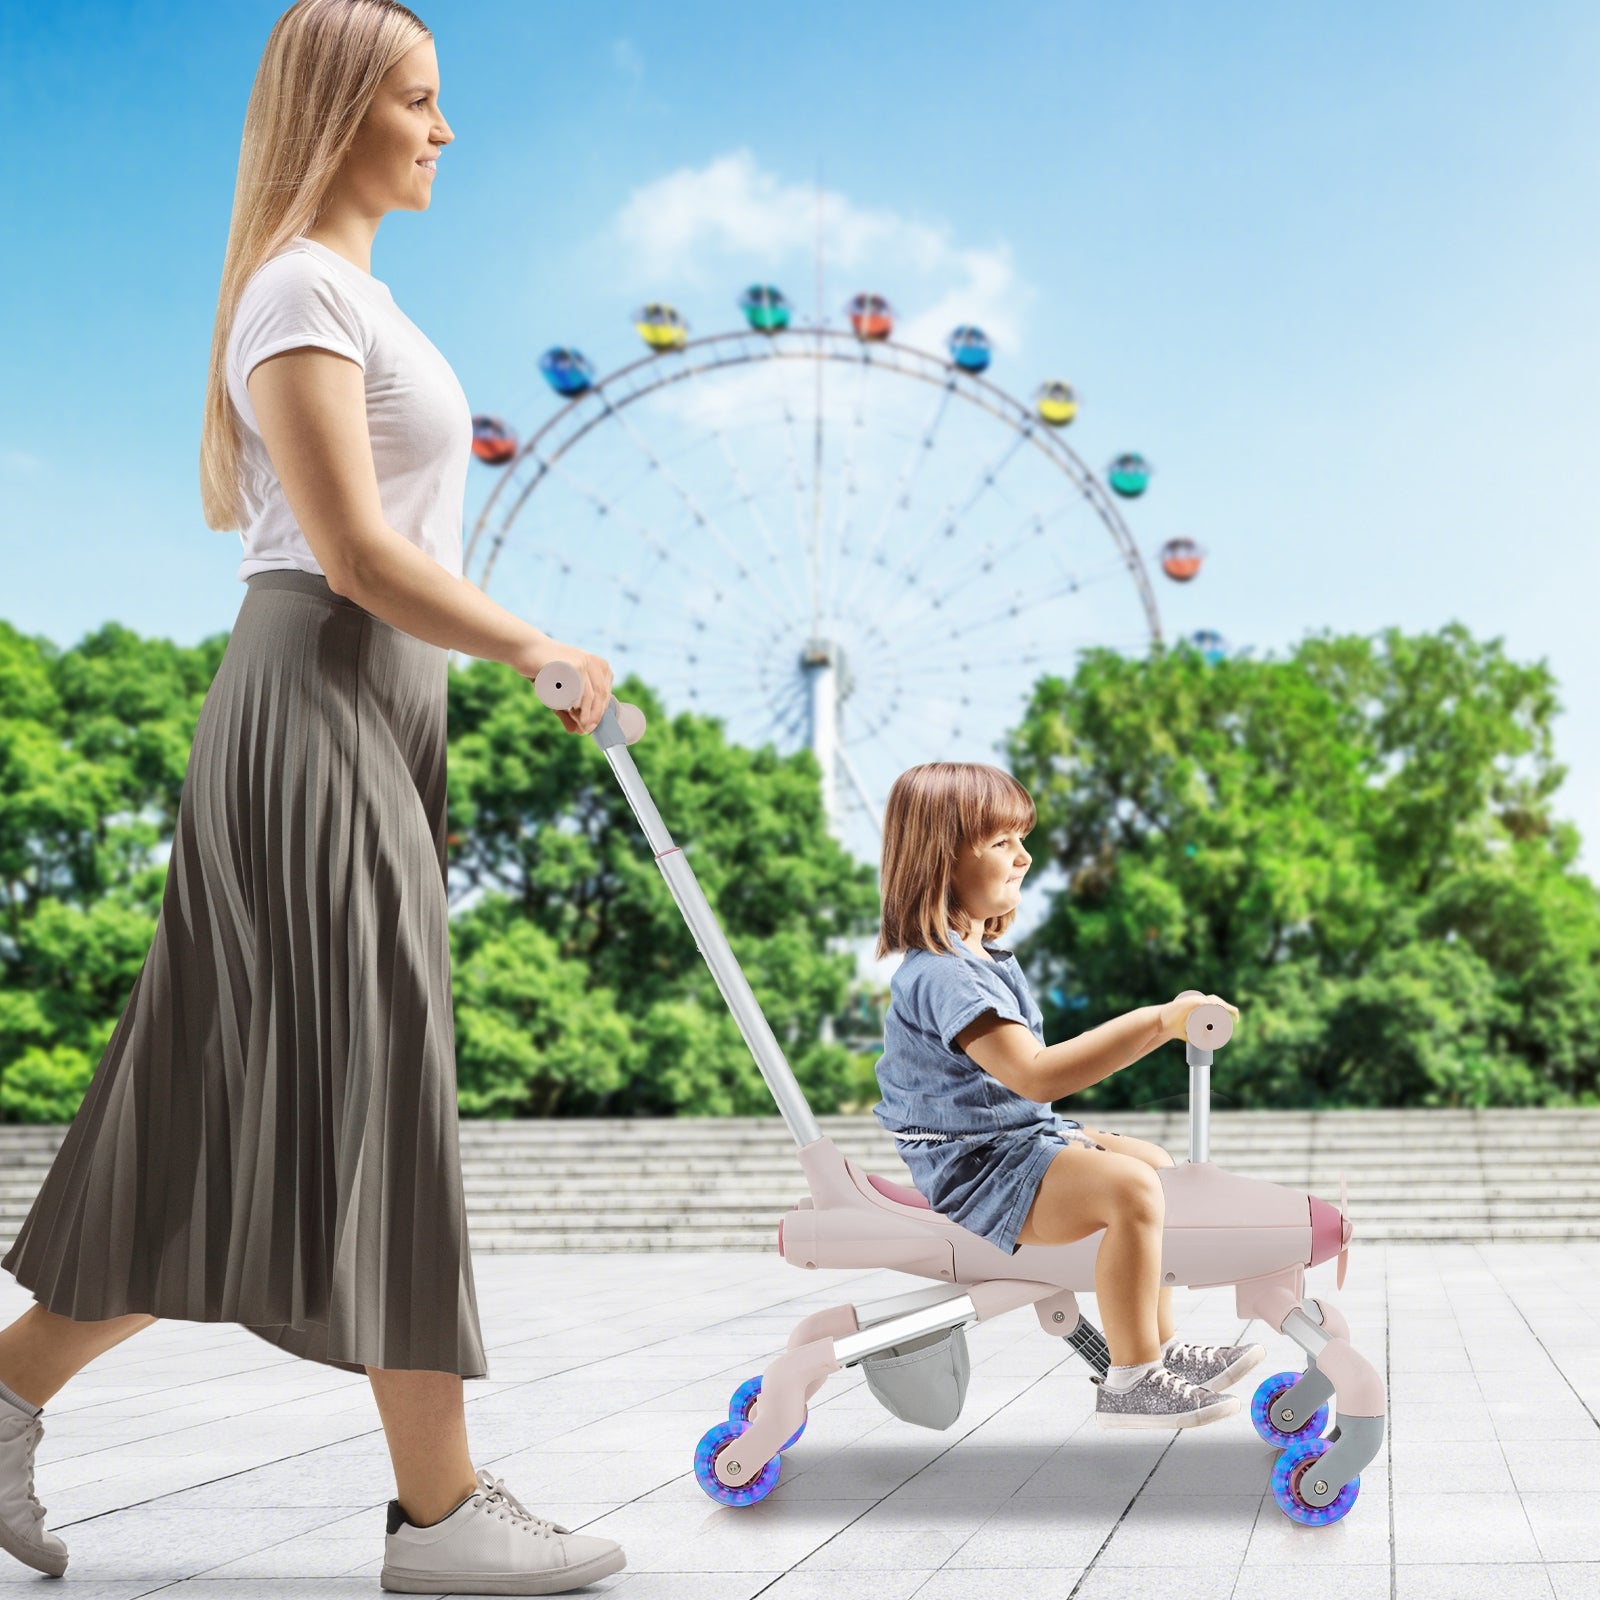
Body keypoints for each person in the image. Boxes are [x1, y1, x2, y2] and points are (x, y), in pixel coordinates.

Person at [0, 2, 627, 1590]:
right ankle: (441, 1517)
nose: (447, 129)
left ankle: (1, 1396)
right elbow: (353, 554)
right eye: (420, 99)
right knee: (377, 1090)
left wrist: (458, 698)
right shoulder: (296, 288)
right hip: (318, 697)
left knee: (234, 1114)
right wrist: (534, 648)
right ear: (344, 107)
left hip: (371, 709)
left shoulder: (357, 296)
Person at [870, 761, 1265, 1430]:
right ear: (941, 859)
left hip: (1012, 1142)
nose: (1025, 856)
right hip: (978, 1169)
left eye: (1023, 838)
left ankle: (1159, 1348)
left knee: (1153, 1164)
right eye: (1002, 843)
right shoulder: (945, 978)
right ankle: (1132, 1377)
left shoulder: (975, 960)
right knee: (1131, 1191)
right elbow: (1037, 1076)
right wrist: (1156, 1022)